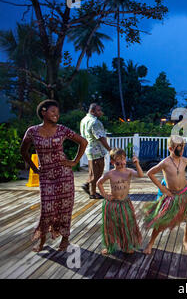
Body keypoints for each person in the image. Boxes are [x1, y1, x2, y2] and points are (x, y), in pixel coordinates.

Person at [20, 100, 88, 252]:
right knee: (47, 209)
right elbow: (23, 151)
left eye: (57, 112)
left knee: (65, 207)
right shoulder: (32, 131)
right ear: (43, 112)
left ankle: (65, 238)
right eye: (52, 111)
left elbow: (83, 142)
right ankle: (42, 240)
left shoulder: (62, 129)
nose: (56, 114)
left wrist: (74, 162)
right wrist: (34, 168)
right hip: (46, 176)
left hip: (64, 174)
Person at [143, 136, 187, 254]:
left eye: (183, 148)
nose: (181, 150)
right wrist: (163, 189)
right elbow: (150, 173)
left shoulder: (184, 160)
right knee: (162, 222)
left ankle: (186, 240)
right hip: (172, 196)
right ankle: (150, 243)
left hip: (186, 194)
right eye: (179, 148)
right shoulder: (165, 162)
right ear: (170, 148)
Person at [96, 148, 144, 255]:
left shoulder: (129, 172)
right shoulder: (110, 174)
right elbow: (99, 183)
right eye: (118, 160)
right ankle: (109, 246)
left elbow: (141, 175)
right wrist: (105, 195)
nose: (121, 162)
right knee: (111, 226)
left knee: (126, 224)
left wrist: (137, 164)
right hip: (112, 204)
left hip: (125, 203)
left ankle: (127, 245)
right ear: (112, 162)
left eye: (123, 159)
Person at [80, 103, 111, 199]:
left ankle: (89, 187)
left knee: (92, 172)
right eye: (98, 110)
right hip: (97, 150)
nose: (101, 112)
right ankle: (92, 192)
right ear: (92, 111)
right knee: (97, 172)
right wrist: (110, 149)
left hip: (89, 149)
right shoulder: (95, 122)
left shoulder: (84, 120)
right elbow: (100, 137)